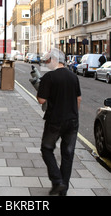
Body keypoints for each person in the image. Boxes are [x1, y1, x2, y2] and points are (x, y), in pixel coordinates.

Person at [36, 48, 81, 196]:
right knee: (68, 154)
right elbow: (78, 99)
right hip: (73, 120)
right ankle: (63, 191)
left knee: (46, 148)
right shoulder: (73, 77)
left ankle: (57, 181)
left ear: (55, 60)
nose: (47, 63)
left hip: (55, 120)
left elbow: (41, 100)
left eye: (48, 60)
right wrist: (73, 113)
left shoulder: (49, 77)